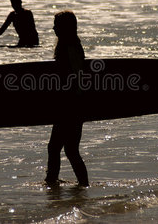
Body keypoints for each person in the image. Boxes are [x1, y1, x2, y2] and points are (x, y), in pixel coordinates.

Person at [45, 10, 89, 187]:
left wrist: (75, 99)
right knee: (64, 148)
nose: (54, 28)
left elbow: (78, 74)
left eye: (57, 25)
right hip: (71, 104)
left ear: (65, 27)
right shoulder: (68, 44)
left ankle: (55, 183)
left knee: (63, 148)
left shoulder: (70, 46)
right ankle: (72, 184)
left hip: (71, 104)